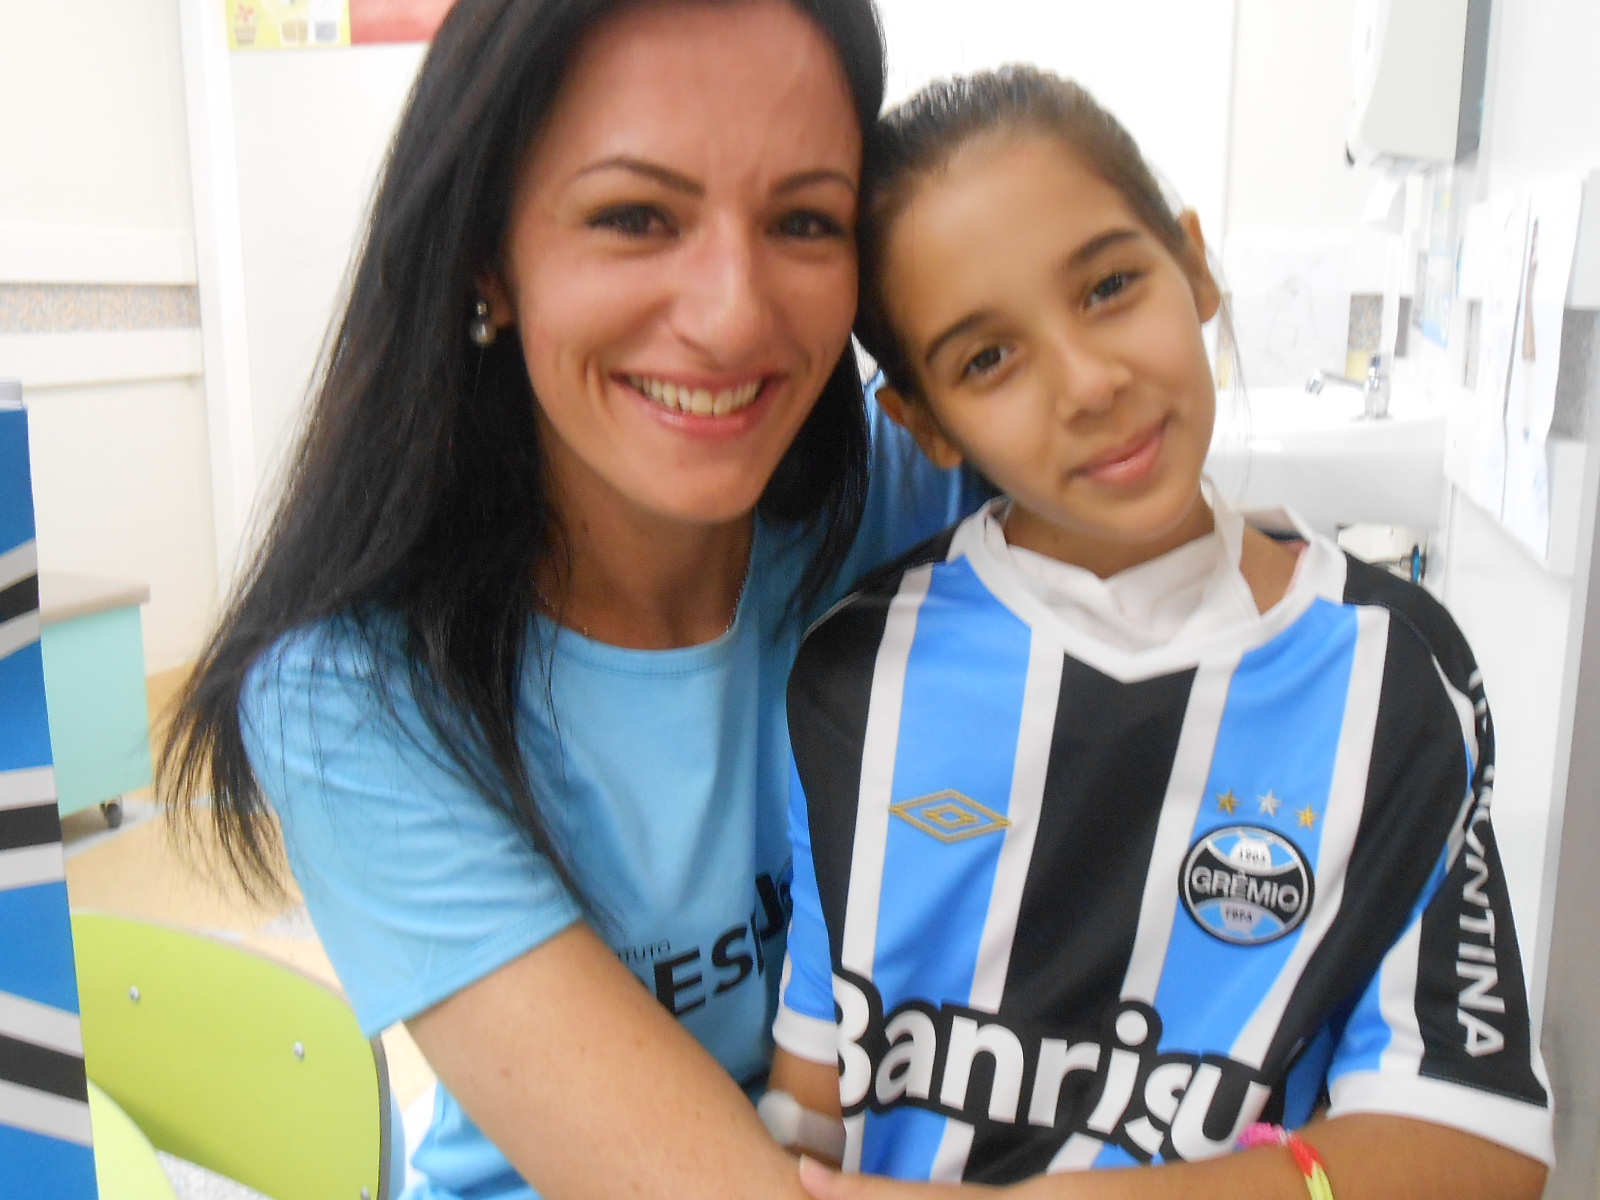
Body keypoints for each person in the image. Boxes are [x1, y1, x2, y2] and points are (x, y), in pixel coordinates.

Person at [159, 3, 990, 1199]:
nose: (731, 314)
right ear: (488, 254)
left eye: (804, 221)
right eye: (635, 217)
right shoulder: (357, 695)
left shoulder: (923, 499)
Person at [765, 67, 1553, 1200]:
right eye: (988, 359)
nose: (1088, 383)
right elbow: (811, 1096)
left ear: (1195, 266)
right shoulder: (854, 676)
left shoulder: (1398, 676)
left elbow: (1477, 1144)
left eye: (1108, 287)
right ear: (924, 423)